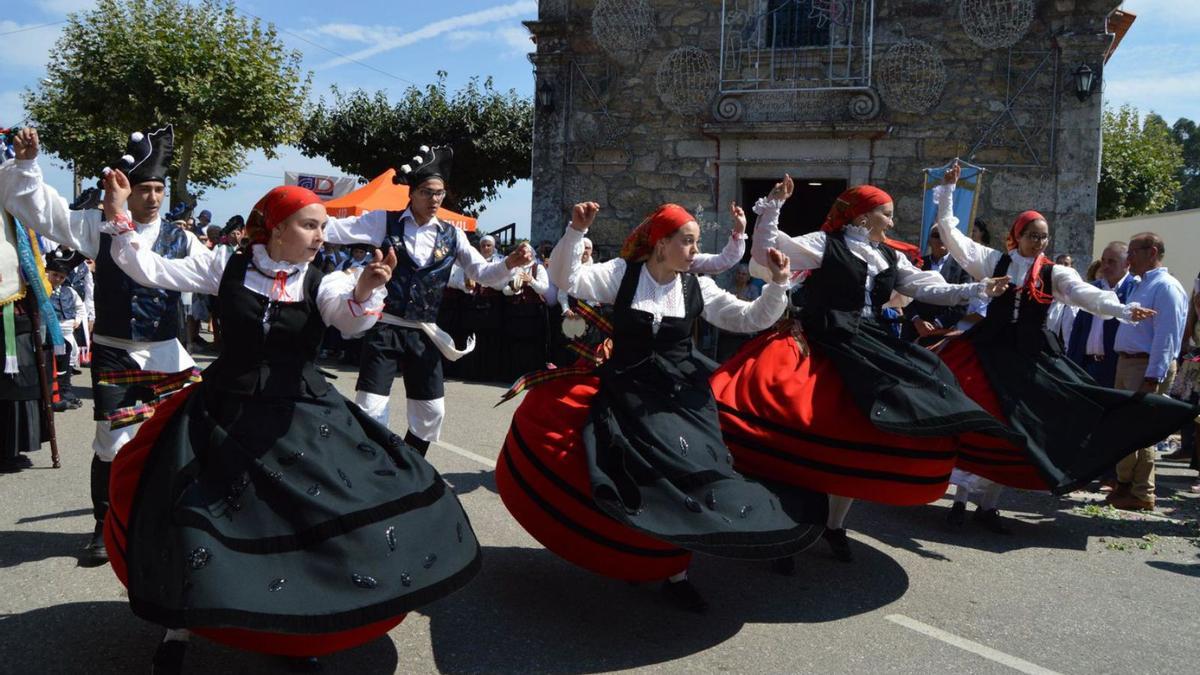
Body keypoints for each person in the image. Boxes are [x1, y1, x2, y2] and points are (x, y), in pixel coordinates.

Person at [98, 175, 482, 671]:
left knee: (310, 523)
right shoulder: (226, 264)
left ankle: (299, 631)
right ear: (276, 229)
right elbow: (147, 267)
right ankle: (180, 627)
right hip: (223, 409)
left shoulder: (323, 278)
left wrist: (366, 287)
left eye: (323, 227)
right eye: (310, 226)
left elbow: (348, 319)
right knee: (190, 515)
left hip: (298, 411)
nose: (321, 236)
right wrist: (119, 219)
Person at [496, 200, 825, 612]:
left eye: (696, 243)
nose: (694, 250)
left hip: (682, 395)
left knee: (692, 477)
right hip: (629, 391)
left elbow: (747, 318)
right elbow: (568, 279)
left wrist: (777, 284)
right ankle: (638, 557)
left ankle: (677, 573)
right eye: (687, 242)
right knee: (637, 481)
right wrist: (575, 231)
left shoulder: (697, 286)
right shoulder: (622, 275)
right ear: (661, 243)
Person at [712, 175, 1016, 562]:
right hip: (820, 343)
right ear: (864, 216)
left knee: (883, 421)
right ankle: (788, 526)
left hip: (868, 344)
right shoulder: (825, 244)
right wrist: (772, 207)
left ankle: (835, 526)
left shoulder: (889, 255)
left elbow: (926, 288)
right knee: (799, 436)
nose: (891, 223)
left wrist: (977, 289)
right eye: (886, 215)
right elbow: (767, 253)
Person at [932, 168, 1196, 521]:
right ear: (1017, 236)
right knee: (977, 423)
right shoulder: (995, 261)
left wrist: (1123, 309)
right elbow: (951, 235)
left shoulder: (1054, 272)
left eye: (1043, 237)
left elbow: (1087, 296)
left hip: (1026, 359)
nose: (1038, 242)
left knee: (1014, 432)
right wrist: (948, 190)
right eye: (1031, 236)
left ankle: (988, 505)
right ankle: (960, 500)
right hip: (987, 353)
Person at [1, 126, 209, 565]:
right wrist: (27, 166)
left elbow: (218, 276)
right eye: (143, 189)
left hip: (169, 353)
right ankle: (105, 524)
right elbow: (44, 212)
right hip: (115, 350)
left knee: (179, 441)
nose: (153, 198)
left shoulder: (182, 238)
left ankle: (171, 521)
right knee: (112, 444)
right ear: (123, 188)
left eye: (158, 189)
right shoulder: (97, 227)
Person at [322, 145, 531, 456]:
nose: (435, 200)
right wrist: (300, 220)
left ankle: (408, 463)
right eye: (427, 192)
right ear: (413, 193)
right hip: (385, 328)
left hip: (425, 333)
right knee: (370, 406)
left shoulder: (453, 235)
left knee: (432, 411)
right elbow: (335, 229)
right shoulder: (383, 221)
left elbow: (483, 272)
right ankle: (374, 465)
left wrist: (510, 264)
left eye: (440, 194)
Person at [1108, 232, 1190, 510]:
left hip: (1145, 366)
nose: (1128, 258)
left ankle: (1143, 492)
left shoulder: (1166, 287)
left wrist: (1153, 377)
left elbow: (1167, 336)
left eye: (1133, 252)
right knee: (1124, 428)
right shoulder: (1142, 285)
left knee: (1140, 430)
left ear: (1152, 252)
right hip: (1129, 363)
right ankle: (1126, 485)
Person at [1066, 242, 1136, 388]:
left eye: (1112, 262)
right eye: (1103, 260)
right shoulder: (1092, 289)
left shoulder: (1134, 289)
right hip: (1085, 365)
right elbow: (1078, 328)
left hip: (1113, 366)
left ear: (1127, 264)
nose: (1105, 266)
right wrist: (1071, 362)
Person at [902, 226, 973, 343]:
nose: (941, 239)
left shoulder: (963, 268)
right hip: (913, 330)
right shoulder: (916, 264)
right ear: (929, 241)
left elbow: (964, 301)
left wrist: (937, 324)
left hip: (942, 333)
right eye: (936, 236)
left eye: (945, 236)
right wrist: (916, 320)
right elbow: (905, 294)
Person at [44, 254, 86, 411]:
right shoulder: (42, 290)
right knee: (54, 363)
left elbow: (81, 308)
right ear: (47, 272)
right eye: (55, 275)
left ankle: (65, 391)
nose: (57, 279)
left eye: (61, 277)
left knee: (69, 362)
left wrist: (78, 320)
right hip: (51, 333)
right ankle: (54, 395)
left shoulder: (69, 291)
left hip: (68, 331)